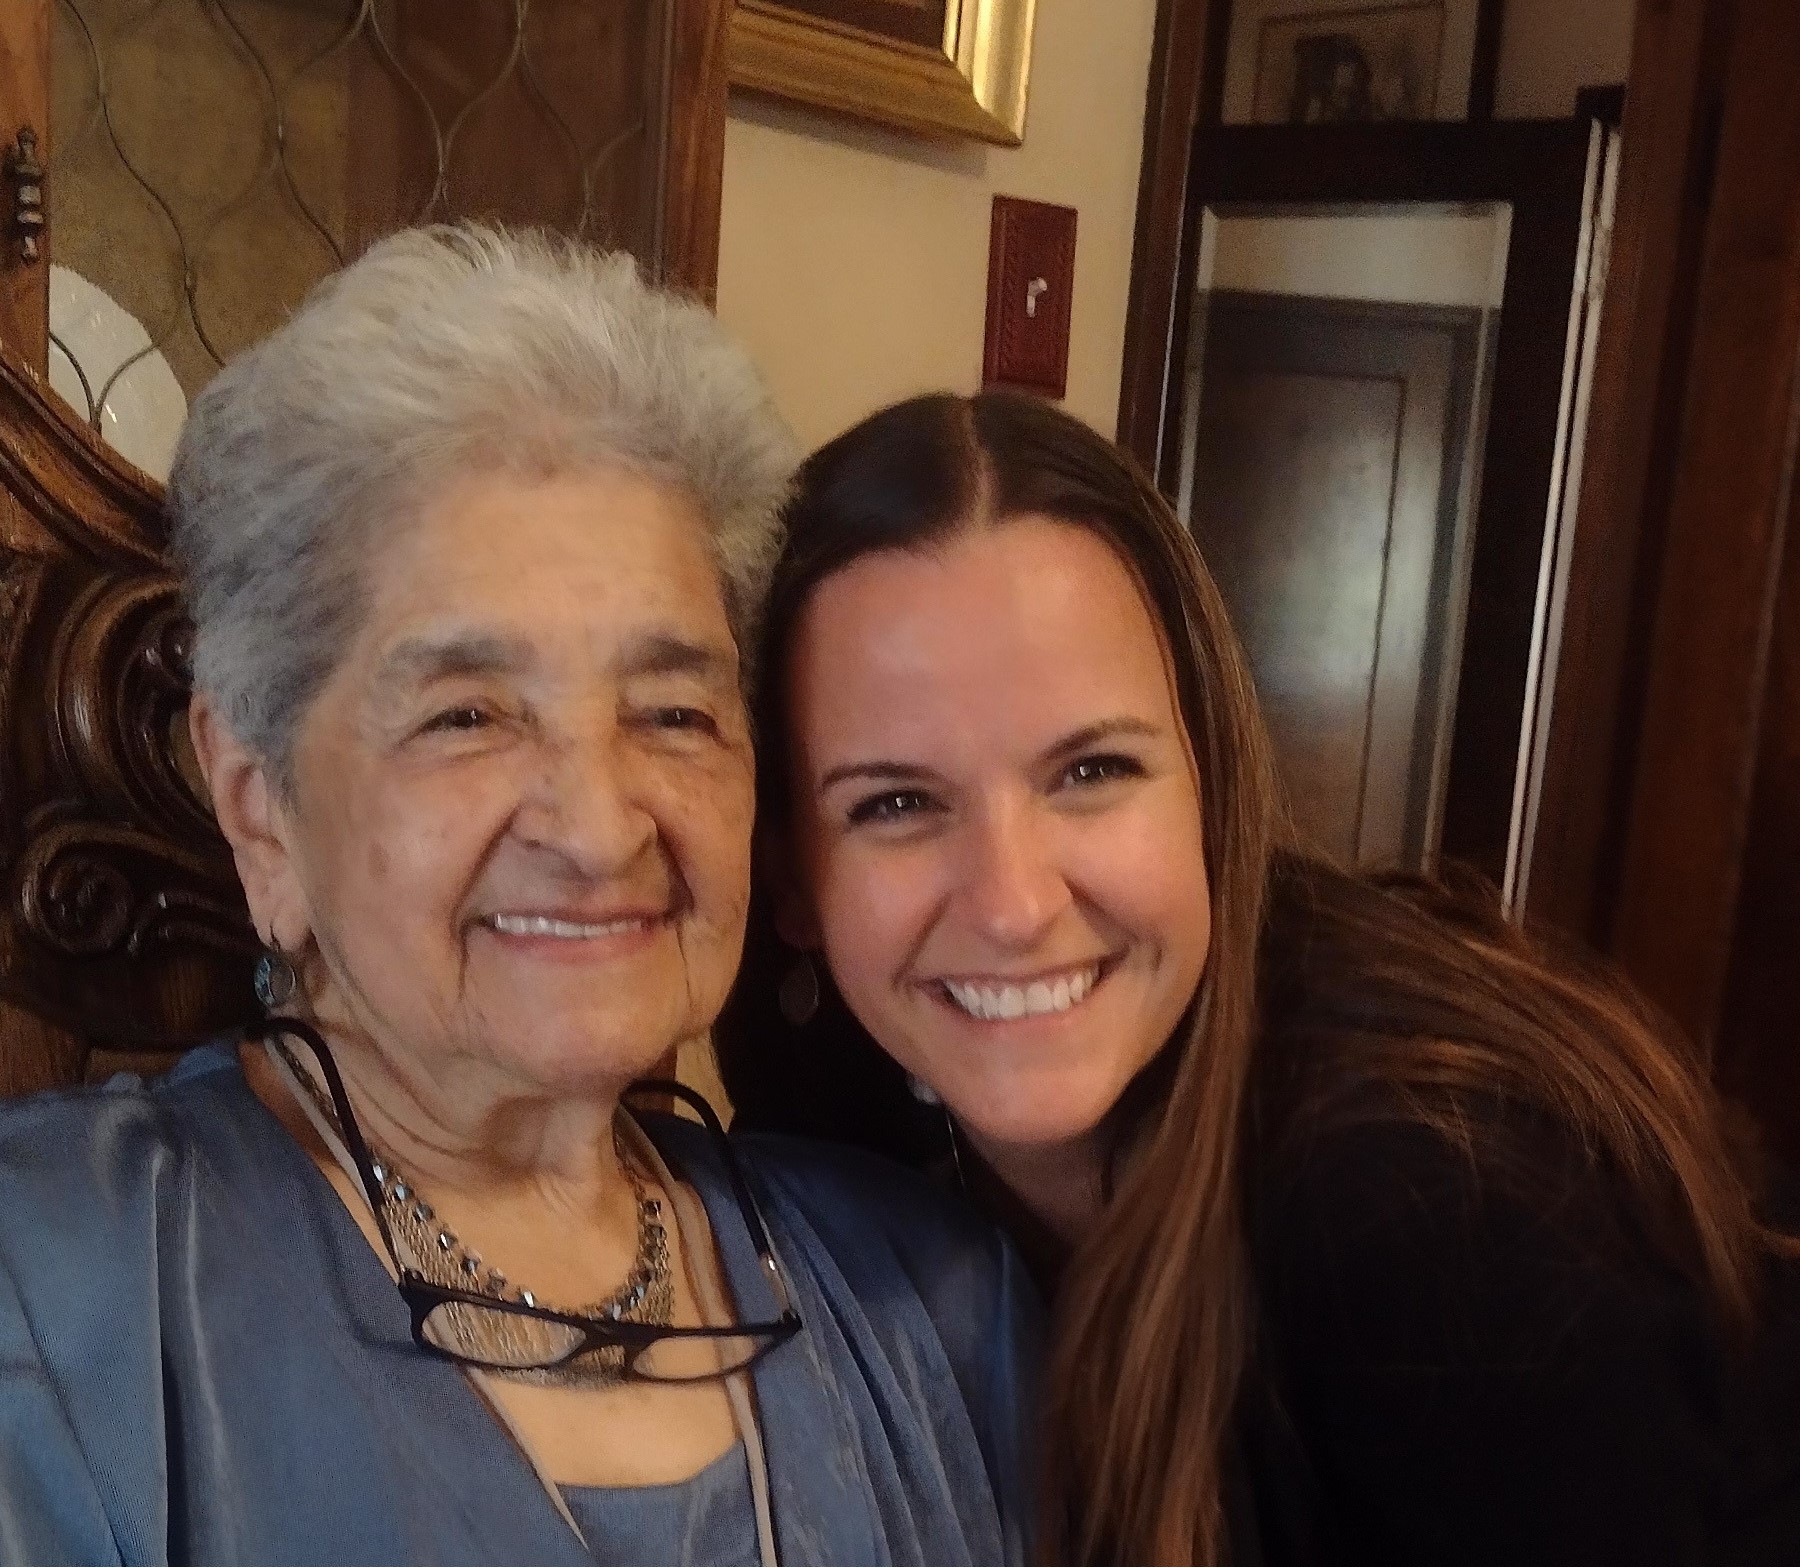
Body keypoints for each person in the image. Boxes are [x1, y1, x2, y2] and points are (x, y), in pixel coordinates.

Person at [0, 233, 1037, 1567]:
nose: (599, 828)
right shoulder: (54, 1304)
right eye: (468, 714)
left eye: (672, 709)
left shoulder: (936, 1302)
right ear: (260, 802)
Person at [716, 390, 1800, 1567]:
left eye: (1091, 769)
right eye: (896, 803)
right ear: (788, 878)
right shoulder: (841, 1137)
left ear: (1210, 787)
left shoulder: (1438, 1213)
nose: (1015, 903)